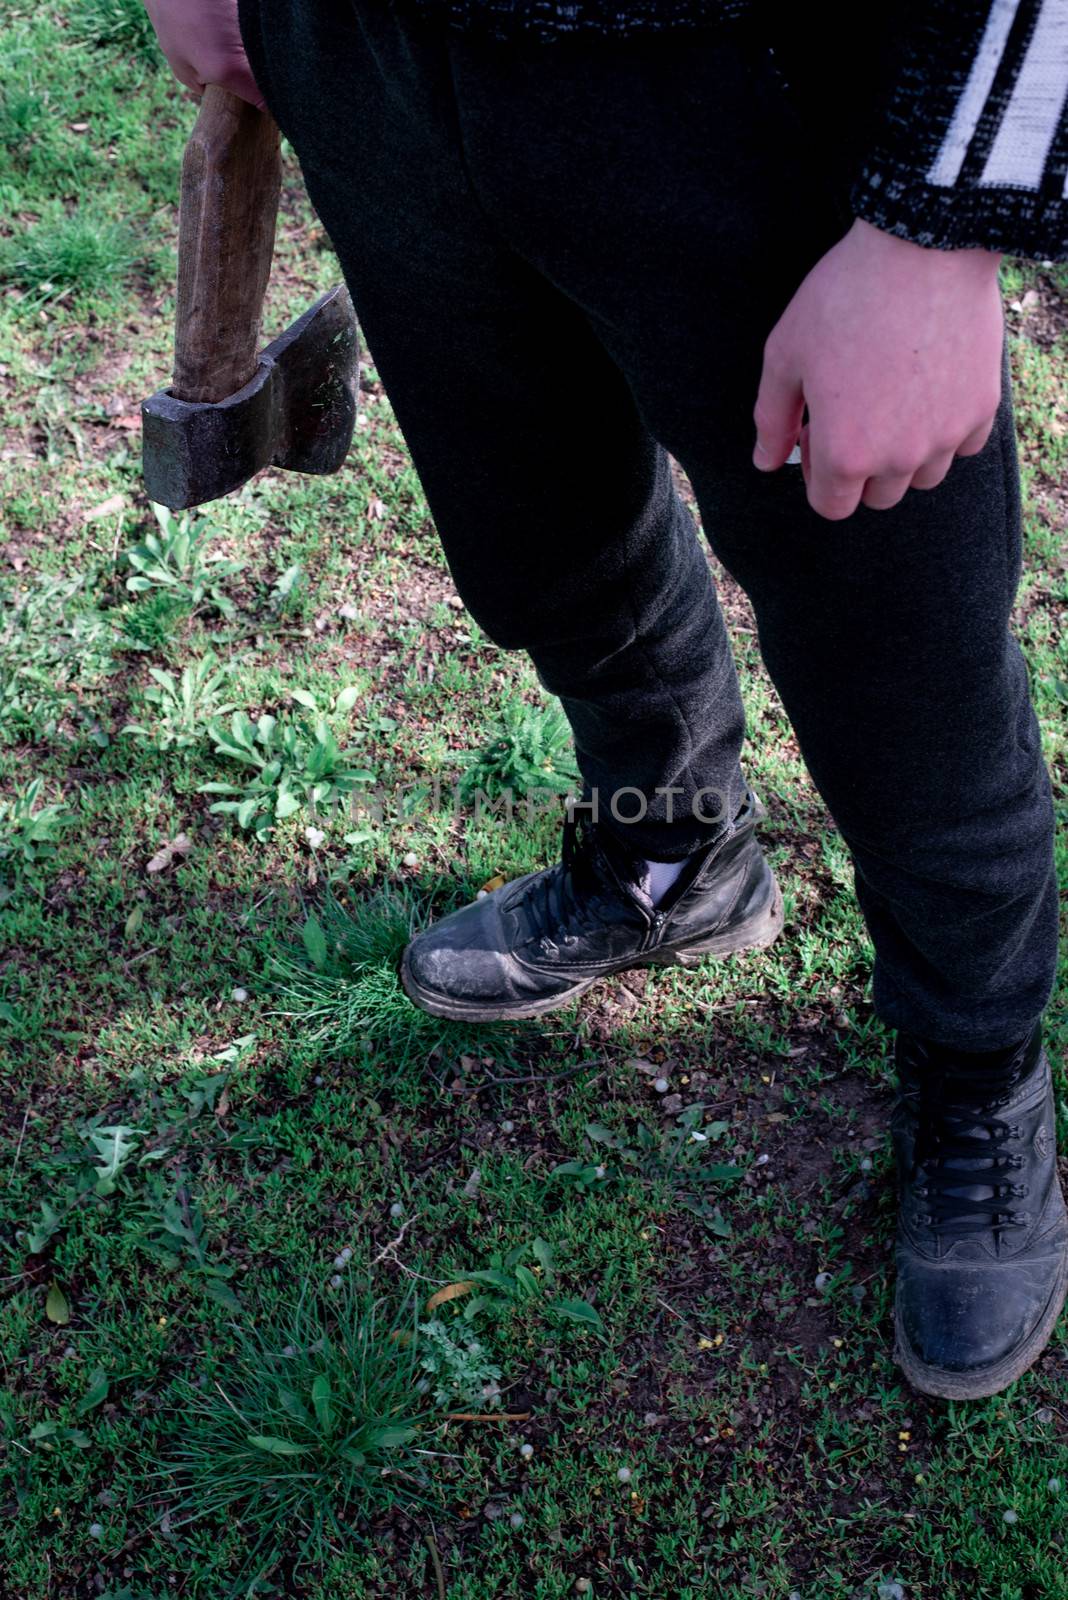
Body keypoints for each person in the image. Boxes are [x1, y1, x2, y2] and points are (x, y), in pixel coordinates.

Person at [144, 0, 1067, 1399]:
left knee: (899, 667)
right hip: (364, 52)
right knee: (541, 542)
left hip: (746, 68)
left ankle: (979, 1055)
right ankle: (674, 851)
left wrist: (943, 220)